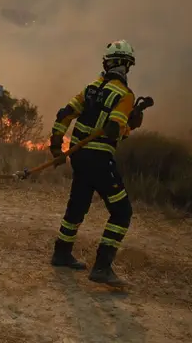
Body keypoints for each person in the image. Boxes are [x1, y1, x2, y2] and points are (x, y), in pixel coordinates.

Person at [48, 40, 142, 287]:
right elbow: (112, 131)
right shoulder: (125, 95)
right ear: (125, 65)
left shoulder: (90, 88)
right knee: (122, 212)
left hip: (79, 158)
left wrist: (56, 147)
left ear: (107, 62)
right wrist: (131, 124)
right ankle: (102, 267)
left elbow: (64, 114)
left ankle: (61, 253)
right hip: (100, 159)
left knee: (77, 205)